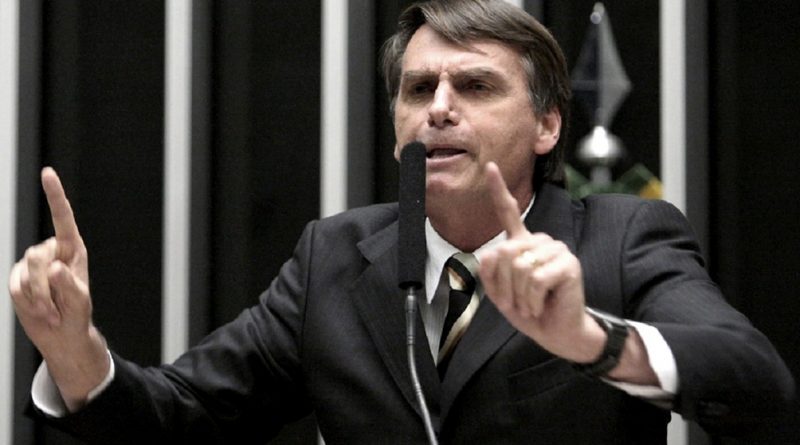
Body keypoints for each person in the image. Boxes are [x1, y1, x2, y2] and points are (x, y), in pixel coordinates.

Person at [9, 0, 794, 443]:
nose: (438, 109)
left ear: (548, 124)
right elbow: (179, 418)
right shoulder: (334, 256)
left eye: (475, 87)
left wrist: (592, 339)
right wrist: (75, 351)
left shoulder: (622, 238)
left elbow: (757, 383)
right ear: (395, 126)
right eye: (418, 90)